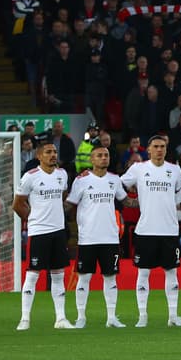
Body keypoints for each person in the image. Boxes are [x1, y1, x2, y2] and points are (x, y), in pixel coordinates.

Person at [120, 135, 181, 327]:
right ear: (148, 150)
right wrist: (131, 202)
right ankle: (142, 316)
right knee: (143, 273)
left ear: (166, 150)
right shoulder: (139, 168)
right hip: (146, 230)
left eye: (162, 146)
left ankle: (173, 317)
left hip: (169, 229)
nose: (159, 149)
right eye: (156, 146)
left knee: (172, 273)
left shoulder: (174, 170)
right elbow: (119, 185)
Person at [66, 143, 127, 329]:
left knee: (111, 278)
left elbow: (127, 200)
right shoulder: (81, 180)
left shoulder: (115, 180)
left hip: (110, 237)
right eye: (99, 155)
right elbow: (69, 204)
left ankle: (111, 318)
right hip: (88, 238)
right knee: (84, 278)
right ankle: (81, 317)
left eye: (106, 155)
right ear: (92, 159)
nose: (103, 158)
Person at [13, 139, 71, 330]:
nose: (53, 155)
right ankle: (24, 319)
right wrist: (32, 219)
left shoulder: (62, 174)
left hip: (58, 231)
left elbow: (62, 197)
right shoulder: (30, 176)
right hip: (39, 232)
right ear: (39, 156)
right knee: (32, 275)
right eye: (48, 152)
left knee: (58, 275)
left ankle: (61, 318)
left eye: (54, 151)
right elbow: (18, 204)